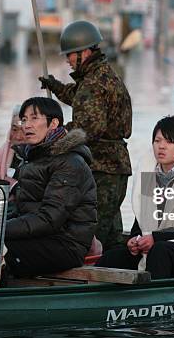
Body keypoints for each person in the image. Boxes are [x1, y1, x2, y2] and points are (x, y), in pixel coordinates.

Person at [38, 20, 132, 251]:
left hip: (103, 169)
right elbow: (83, 100)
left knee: (94, 233)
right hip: (114, 167)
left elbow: (86, 129)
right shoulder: (101, 75)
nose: (67, 60)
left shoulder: (94, 82)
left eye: (70, 55)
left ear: (85, 52)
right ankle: (121, 265)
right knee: (110, 232)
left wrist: (51, 137)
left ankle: (98, 276)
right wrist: (56, 87)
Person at [96, 116, 174, 279]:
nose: (161, 146)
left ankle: (152, 301)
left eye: (169, 142)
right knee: (111, 258)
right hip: (157, 246)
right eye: (157, 140)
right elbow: (141, 219)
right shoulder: (150, 173)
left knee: (160, 251)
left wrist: (155, 238)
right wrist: (135, 239)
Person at [3, 97, 97, 277]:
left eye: (34, 118)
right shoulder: (31, 158)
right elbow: (19, 205)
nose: (26, 125)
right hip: (38, 236)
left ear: (53, 123)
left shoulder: (70, 162)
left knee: (0, 250)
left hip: (65, 243)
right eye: (23, 119)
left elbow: (50, 218)